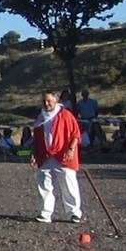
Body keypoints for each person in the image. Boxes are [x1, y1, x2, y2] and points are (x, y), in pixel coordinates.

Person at [31, 89, 84, 223]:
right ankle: (46, 213)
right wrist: (34, 154)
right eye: (44, 101)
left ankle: (74, 213)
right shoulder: (40, 117)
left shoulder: (65, 115)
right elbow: (37, 139)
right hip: (45, 156)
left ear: (56, 100)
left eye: (49, 100)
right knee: (44, 184)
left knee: (68, 184)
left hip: (63, 155)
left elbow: (75, 134)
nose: (46, 103)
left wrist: (71, 149)